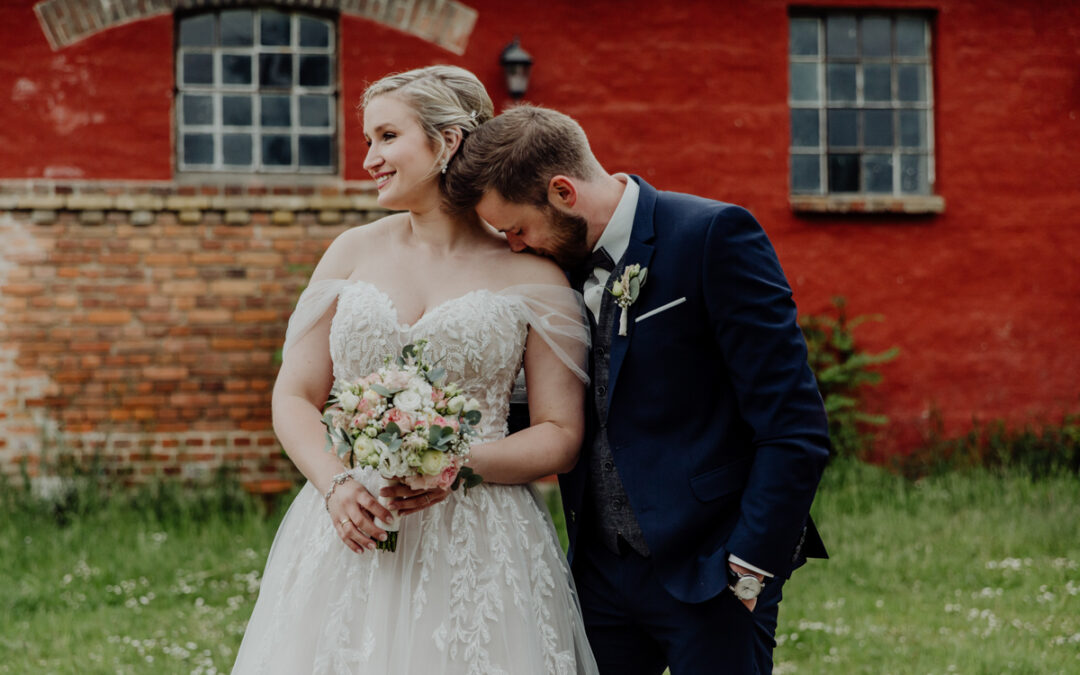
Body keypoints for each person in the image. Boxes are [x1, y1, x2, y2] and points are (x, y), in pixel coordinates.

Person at [232, 68, 599, 675]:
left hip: (481, 539)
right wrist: (336, 485)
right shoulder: (351, 251)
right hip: (352, 524)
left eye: (386, 137)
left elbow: (560, 434)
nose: (370, 158)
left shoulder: (534, 274)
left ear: (447, 141)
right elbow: (294, 395)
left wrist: (457, 465)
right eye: (368, 140)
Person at [445, 104, 831, 674]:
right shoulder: (555, 272)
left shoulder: (712, 235)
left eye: (517, 229)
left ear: (562, 192)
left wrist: (749, 563)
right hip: (599, 576)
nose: (516, 248)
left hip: (712, 568)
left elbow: (793, 425)